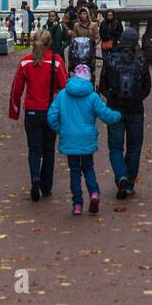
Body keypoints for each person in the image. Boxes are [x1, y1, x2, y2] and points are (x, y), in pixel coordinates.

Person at [47, 65, 121, 215]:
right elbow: (105, 115)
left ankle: (77, 204)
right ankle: (94, 193)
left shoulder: (62, 95)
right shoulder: (93, 97)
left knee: (74, 171)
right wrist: (118, 115)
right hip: (86, 138)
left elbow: (51, 116)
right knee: (88, 168)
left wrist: (60, 130)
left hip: (69, 138)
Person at [8, 29, 68, 201]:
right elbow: (65, 88)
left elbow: (16, 89)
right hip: (50, 112)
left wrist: (14, 111)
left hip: (32, 112)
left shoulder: (25, 63)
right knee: (49, 150)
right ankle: (46, 186)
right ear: (50, 43)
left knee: (34, 149)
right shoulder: (56, 62)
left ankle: (35, 177)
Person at [102, 26, 151, 198]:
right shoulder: (141, 60)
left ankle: (121, 176)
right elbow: (147, 87)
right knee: (134, 147)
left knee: (115, 147)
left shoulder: (110, 59)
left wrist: (111, 97)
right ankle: (129, 182)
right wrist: (137, 99)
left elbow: (102, 86)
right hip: (136, 110)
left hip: (115, 109)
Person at [70, 5, 100, 77]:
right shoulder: (76, 25)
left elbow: (97, 37)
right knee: (79, 70)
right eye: (81, 13)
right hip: (79, 52)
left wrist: (93, 43)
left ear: (88, 14)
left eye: (84, 13)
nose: (82, 15)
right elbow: (75, 38)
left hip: (90, 52)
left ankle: (91, 84)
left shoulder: (93, 25)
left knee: (90, 69)